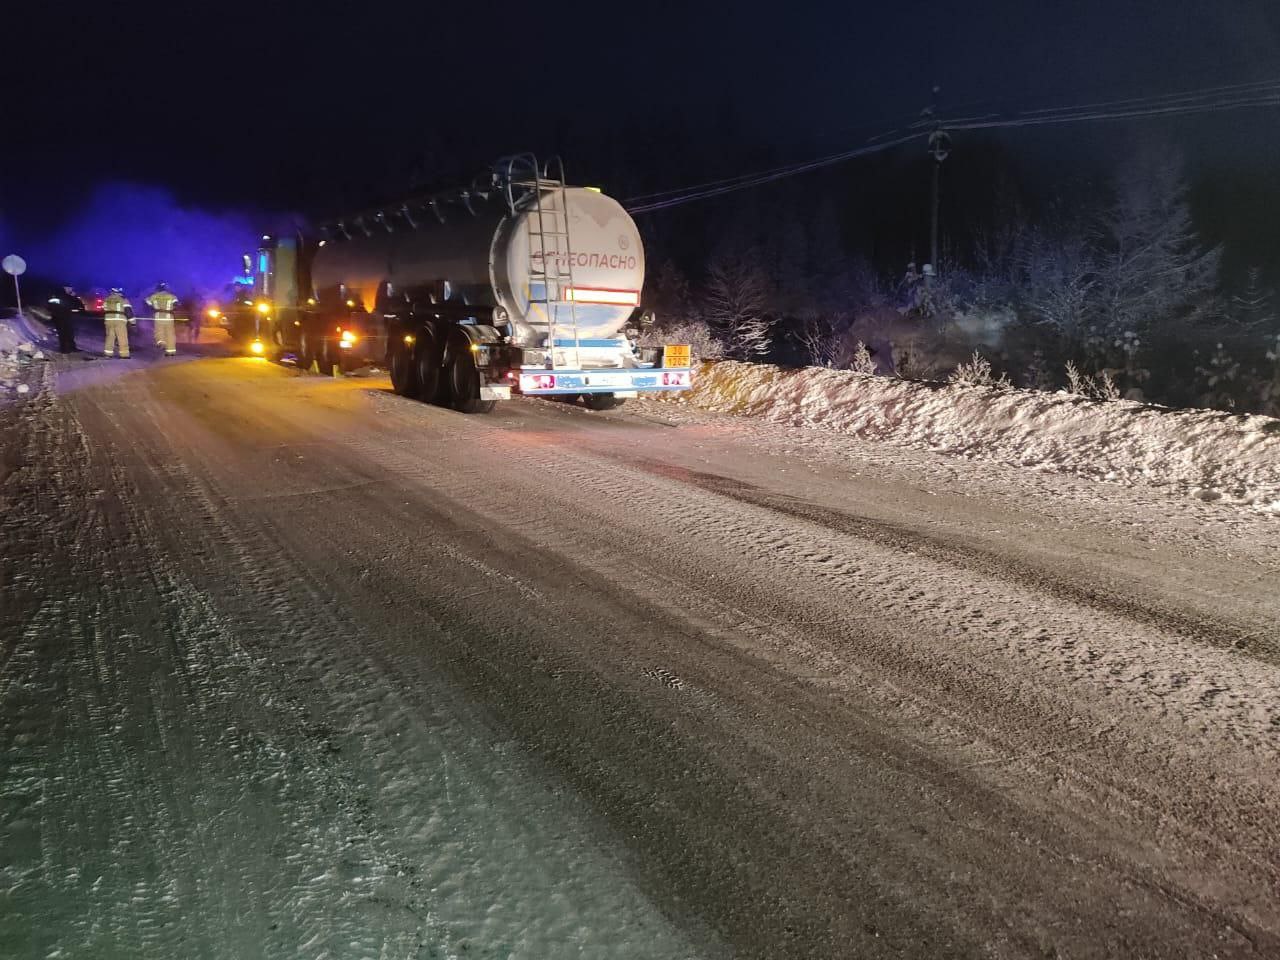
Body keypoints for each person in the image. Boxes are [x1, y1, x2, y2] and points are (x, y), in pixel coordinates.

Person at [146, 281, 179, 356]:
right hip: (169, 317)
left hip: (158, 317)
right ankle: (171, 351)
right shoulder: (172, 296)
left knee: (159, 331)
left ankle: (161, 342)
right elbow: (176, 305)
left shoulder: (153, 296)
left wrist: (153, 304)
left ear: (157, 288)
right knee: (170, 334)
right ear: (166, 288)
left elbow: (147, 302)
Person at [47, 285, 80, 353]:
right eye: (70, 288)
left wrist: (74, 297)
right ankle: (64, 349)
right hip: (59, 317)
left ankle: (72, 347)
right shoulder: (58, 295)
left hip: (67, 316)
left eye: (71, 288)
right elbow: (54, 305)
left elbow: (76, 304)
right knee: (62, 333)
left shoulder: (68, 296)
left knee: (70, 333)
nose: (71, 289)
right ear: (65, 288)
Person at [103, 287, 132, 358]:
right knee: (122, 337)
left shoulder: (106, 299)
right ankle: (124, 355)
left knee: (110, 337)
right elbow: (129, 312)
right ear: (119, 292)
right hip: (120, 321)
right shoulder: (123, 300)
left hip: (108, 321)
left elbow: (104, 309)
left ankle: (108, 354)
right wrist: (133, 322)